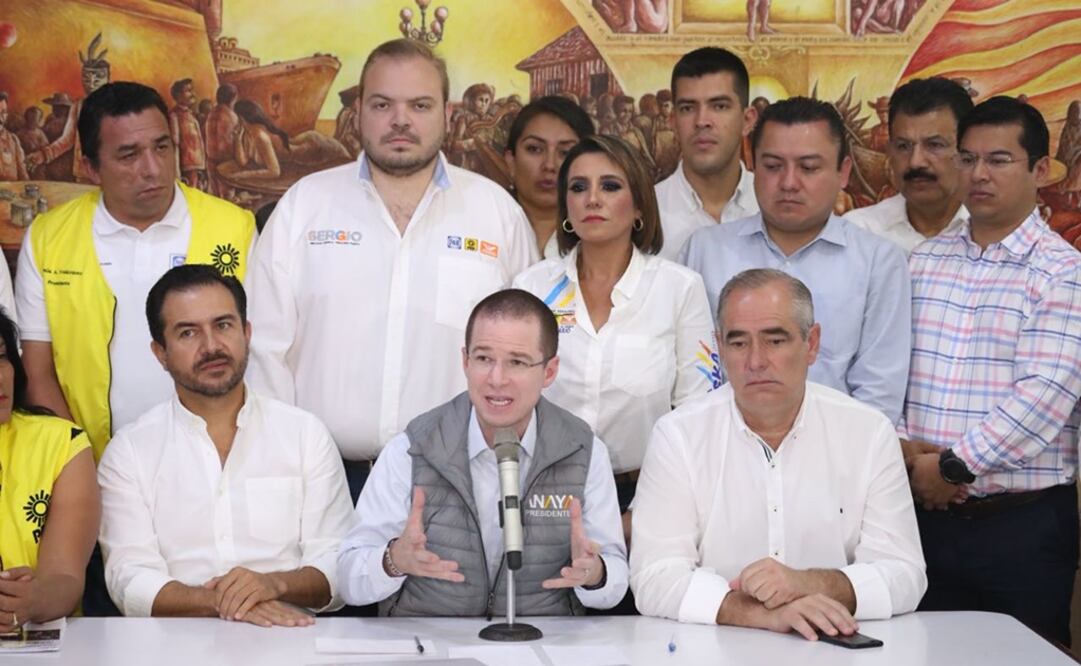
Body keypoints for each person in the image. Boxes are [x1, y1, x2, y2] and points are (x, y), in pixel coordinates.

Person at [246, 39, 537, 504]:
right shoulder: (305, 206)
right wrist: (285, 464)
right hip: (323, 483)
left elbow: (530, 353)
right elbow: (264, 348)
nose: (400, 120)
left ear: (446, 113)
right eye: (383, 105)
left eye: (419, 105)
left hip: (460, 485)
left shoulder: (496, 214)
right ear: (359, 111)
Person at [631, 269, 926, 637]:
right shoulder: (679, 435)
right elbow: (654, 576)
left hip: (836, 648)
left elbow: (904, 574)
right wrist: (763, 614)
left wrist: (807, 583)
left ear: (812, 343)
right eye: (739, 343)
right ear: (719, 347)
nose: (756, 361)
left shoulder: (868, 432)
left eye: (774, 340)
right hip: (712, 648)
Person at [901, 97, 1081, 647]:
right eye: (968, 158)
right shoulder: (922, 262)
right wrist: (906, 453)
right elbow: (890, 371)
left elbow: (1042, 398)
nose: (978, 174)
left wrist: (952, 468)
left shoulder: (1063, 272)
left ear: (1040, 170)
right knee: (919, 655)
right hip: (920, 519)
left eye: (999, 160)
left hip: (1020, 528)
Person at [336, 288, 628, 615]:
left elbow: (615, 583)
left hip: (543, 637)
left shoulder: (584, 451)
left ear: (549, 371)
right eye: (484, 359)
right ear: (465, 361)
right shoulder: (412, 448)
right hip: (430, 636)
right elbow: (348, 579)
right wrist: (393, 560)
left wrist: (595, 574)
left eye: (517, 362)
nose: (496, 379)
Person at [98, 265, 353, 624]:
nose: (211, 346)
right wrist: (227, 601)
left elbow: (338, 568)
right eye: (188, 333)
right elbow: (130, 581)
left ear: (247, 333)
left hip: (291, 636)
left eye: (223, 325)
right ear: (160, 353)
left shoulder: (305, 435)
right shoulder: (129, 452)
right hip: (174, 646)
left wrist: (274, 584)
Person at [15, 81, 256, 460]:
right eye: (129, 155)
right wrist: (80, 470)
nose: (153, 168)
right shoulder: (49, 238)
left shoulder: (233, 228)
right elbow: (38, 372)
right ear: (91, 168)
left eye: (162, 147)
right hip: (95, 466)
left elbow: (260, 357)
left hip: (217, 463)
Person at [514, 135, 713, 530]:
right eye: (578, 187)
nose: (592, 199)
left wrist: (636, 518)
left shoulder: (680, 289)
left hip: (649, 497)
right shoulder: (531, 288)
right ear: (566, 206)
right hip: (539, 495)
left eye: (609, 186)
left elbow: (699, 413)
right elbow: (508, 397)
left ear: (639, 206)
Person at [680, 97, 911, 424]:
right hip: (720, 445)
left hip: (837, 448)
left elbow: (879, 394)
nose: (789, 183)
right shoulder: (705, 251)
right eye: (773, 166)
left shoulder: (878, 262)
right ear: (752, 165)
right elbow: (691, 375)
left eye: (808, 168)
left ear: (843, 172)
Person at [0, 310, 99, 632]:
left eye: (1, 357)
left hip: (45, 643)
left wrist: (31, 599)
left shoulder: (62, 444)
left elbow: (65, 579)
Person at [845, 78, 974, 254]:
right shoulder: (859, 232)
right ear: (889, 152)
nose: (915, 162)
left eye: (934, 145)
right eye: (903, 146)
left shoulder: (998, 233)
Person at [655, 48, 759, 261]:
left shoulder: (774, 207)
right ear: (672, 121)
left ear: (747, 120)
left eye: (719, 106)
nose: (702, 121)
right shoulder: (643, 215)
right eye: (687, 108)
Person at [503, 96, 594, 258]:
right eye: (534, 149)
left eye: (565, 152)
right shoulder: (483, 226)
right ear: (511, 162)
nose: (549, 165)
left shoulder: (601, 241)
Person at [26, 33, 110, 183]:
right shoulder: (78, 106)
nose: (91, 84)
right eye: (86, 78)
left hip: (112, 176)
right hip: (83, 176)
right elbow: (66, 141)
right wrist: (42, 155)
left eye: (97, 78)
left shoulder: (119, 106)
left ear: (107, 78)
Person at [231, 99, 350, 180]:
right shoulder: (248, 133)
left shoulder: (260, 136)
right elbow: (243, 162)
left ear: (242, 118)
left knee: (346, 159)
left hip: (314, 149)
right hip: (303, 142)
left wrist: (244, 175)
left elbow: (274, 171)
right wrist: (238, 138)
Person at [169, 78, 208, 190]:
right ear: (178, 95)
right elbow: (174, 144)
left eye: (192, 90)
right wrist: (176, 172)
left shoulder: (190, 114)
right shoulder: (174, 115)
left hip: (196, 166)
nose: (193, 94)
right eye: (188, 91)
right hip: (187, 167)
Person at [205, 83, 239, 197]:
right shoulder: (231, 116)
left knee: (215, 195)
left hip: (211, 159)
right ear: (232, 98)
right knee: (227, 196)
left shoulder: (211, 114)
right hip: (226, 161)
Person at [0, 92, 28, 182]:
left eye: (3, 112)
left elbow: (23, 174)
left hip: (12, 190)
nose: (0, 118)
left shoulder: (13, 140)